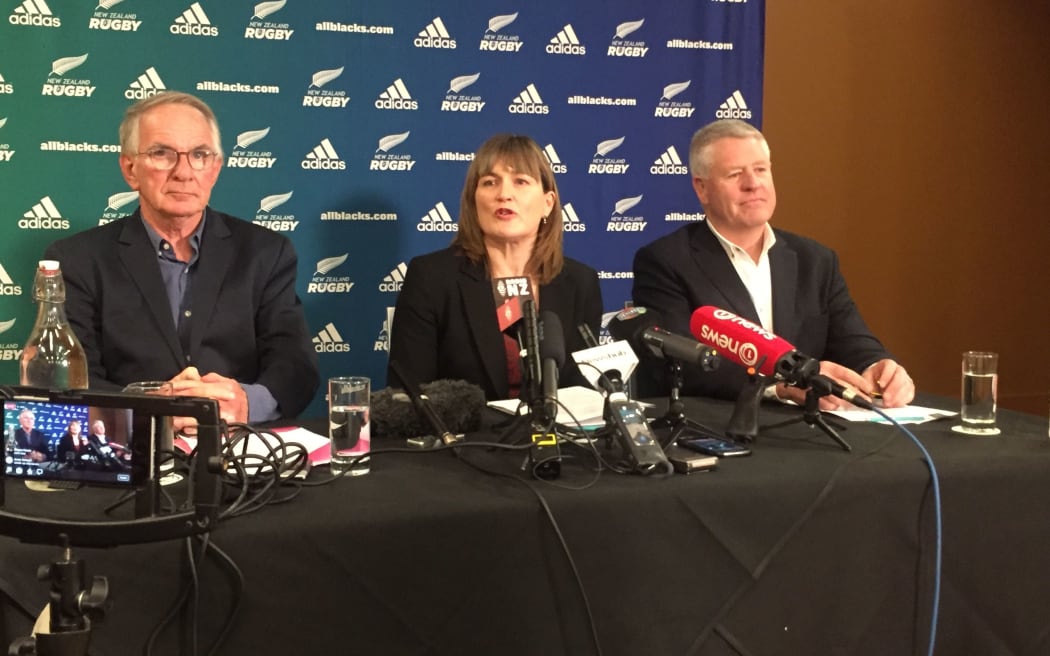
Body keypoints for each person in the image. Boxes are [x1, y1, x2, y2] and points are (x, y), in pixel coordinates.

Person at [44, 91, 318, 426]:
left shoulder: (265, 253)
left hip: (239, 450)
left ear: (215, 169)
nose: (184, 172)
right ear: (130, 169)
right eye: (162, 154)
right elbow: (71, 379)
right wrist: (153, 416)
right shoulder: (77, 260)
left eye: (200, 155)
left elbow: (295, 364)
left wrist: (246, 403)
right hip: (131, 454)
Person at [632, 119, 914, 410]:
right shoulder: (666, 261)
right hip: (721, 428)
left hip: (811, 432)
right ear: (702, 189)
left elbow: (852, 339)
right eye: (735, 174)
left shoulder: (815, 259)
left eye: (760, 170)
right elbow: (683, 365)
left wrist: (878, 366)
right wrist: (780, 387)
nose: (752, 184)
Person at [387, 134, 603, 401]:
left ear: (548, 203)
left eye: (521, 181)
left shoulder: (580, 283)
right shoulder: (432, 278)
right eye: (490, 182)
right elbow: (406, 396)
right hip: (466, 439)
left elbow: (583, 392)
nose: (504, 194)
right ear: (473, 201)